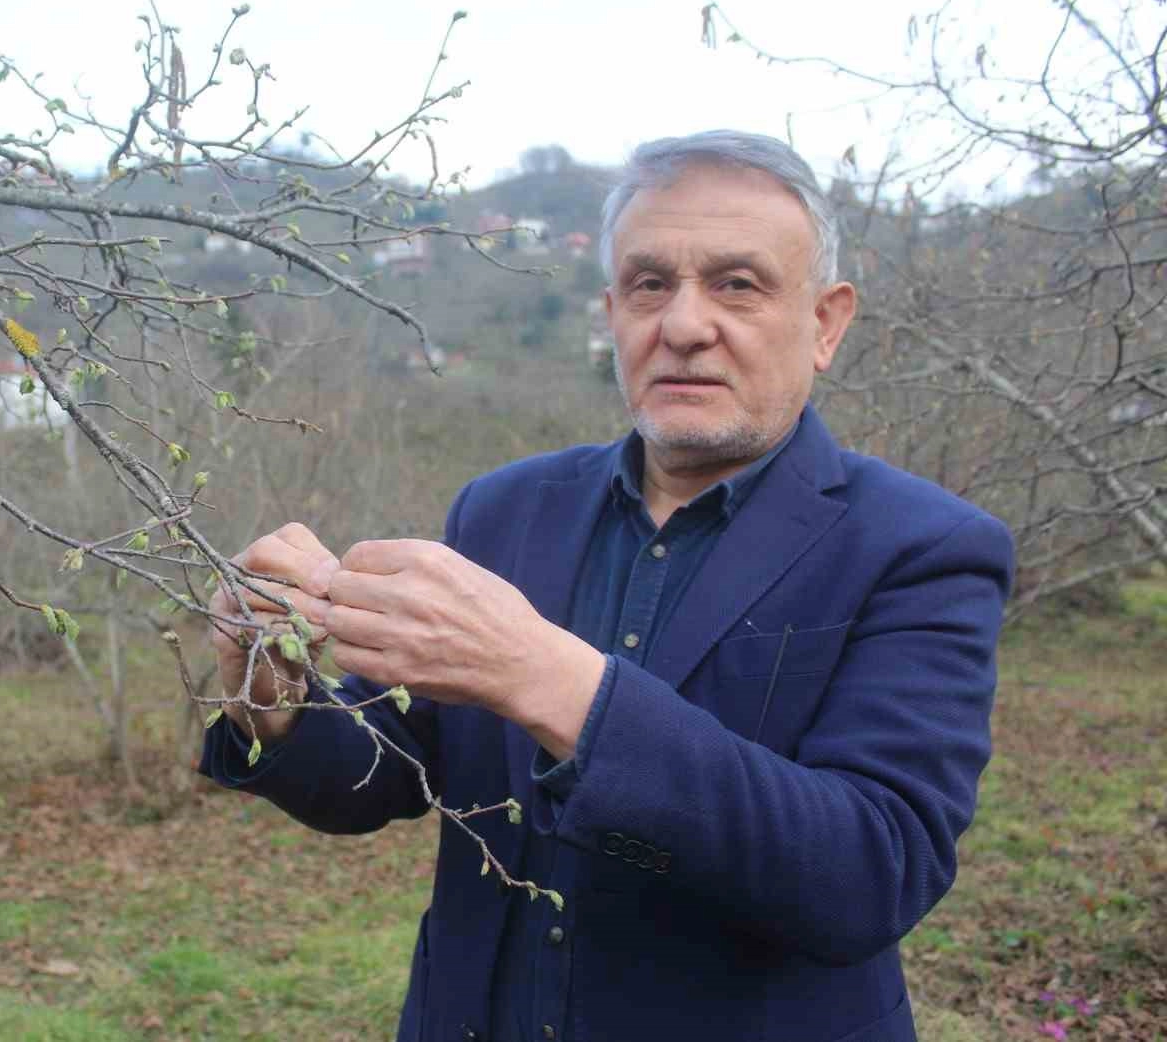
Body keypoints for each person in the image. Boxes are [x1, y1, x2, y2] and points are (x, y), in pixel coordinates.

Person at [199, 130, 1014, 1042]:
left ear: (825, 323)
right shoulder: (504, 510)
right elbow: (393, 769)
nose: (684, 325)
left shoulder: (923, 547)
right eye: (650, 284)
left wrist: (546, 678)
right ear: (613, 312)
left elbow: (870, 874)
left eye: (738, 284)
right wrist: (276, 706)